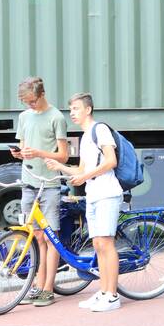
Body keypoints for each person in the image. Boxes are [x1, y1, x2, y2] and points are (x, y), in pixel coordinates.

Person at [46, 93, 123, 312]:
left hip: (107, 193)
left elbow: (111, 161)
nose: (72, 113)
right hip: (93, 195)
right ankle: (103, 291)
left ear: (88, 109)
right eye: (70, 110)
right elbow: (81, 170)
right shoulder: (86, 136)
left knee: (106, 244)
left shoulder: (100, 130)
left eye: (76, 109)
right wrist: (59, 166)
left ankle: (112, 295)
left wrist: (86, 176)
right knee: (98, 245)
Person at [12, 77, 69, 307]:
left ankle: (48, 288)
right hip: (29, 182)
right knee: (36, 237)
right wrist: (20, 154)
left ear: (42, 94)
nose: (30, 106)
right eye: (26, 102)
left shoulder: (56, 117)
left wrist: (39, 153)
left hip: (50, 184)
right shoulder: (24, 117)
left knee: (50, 237)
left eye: (33, 101)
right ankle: (37, 285)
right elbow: (25, 147)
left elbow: (63, 156)